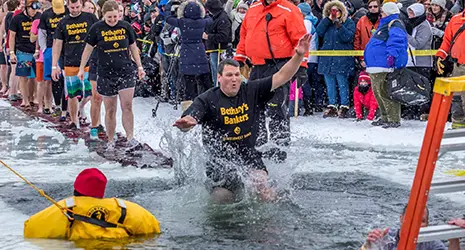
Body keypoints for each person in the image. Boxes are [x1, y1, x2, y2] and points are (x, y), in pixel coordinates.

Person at [173, 34, 311, 204]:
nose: (234, 79)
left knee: (261, 187)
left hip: (248, 155)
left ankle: (272, 223)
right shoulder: (207, 99)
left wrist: (298, 55)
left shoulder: (251, 90)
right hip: (220, 161)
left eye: (237, 75)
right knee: (223, 199)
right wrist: (186, 124)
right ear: (219, 77)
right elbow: (190, 118)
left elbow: (282, 76)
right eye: (229, 75)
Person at [233, 0, 308, 162]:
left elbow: (301, 39)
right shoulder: (253, 9)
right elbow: (245, 35)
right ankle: (257, 146)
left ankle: (279, 150)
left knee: (277, 110)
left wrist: (301, 66)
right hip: (256, 67)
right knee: (252, 108)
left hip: (279, 66)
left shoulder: (288, 9)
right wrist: (239, 58)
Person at [78, 0, 145, 150]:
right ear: (103, 15)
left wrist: (139, 66)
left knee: (127, 105)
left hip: (126, 71)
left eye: (115, 17)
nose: (113, 20)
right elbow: (87, 50)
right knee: (111, 109)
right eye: (110, 18)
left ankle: (130, 137)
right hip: (105, 73)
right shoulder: (97, 28)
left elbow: (133, 48)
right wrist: (82, 68)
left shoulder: (126, 27)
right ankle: (110, 139)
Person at [23, 168, 161, 239]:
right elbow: (153, 228)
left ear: (75, 188)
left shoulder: (64, 208)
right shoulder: (125, 208)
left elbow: (30, 229)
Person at [51, 0, 98, 129]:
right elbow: (57, 44)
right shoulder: (63, 22)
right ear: (67, 6)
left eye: (77, 7)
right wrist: (54, 66)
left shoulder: (90, 18)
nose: (75, 10)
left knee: (93, 93)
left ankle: (95, 122)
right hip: (70, 61)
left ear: (82, 6)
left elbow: (99, 36)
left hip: (90, 61)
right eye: (72, 8)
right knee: (72, 94)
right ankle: (73, 120)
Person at [364, 1, 408, 128]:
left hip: (384, 66)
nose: (380, 13)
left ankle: (393, 119)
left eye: (382, 11)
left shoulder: (395, 24)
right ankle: (385, 117)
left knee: (385, 93)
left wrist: (391, 56)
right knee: (378, 93)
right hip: (376, 66)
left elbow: (397, 41)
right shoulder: (385, 24)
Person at [165, 0, 212, 111]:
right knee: (205, 81)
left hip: (186, 53)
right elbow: (210, 19)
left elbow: (168, 18)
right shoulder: (202, 22)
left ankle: (189, 109)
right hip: (200, 52)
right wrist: (206, 12)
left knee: (188, 83)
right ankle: (209, 104)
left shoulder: (182, 22)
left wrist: (169, 6)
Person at [316, 0, 355, 119]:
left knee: (342, 83)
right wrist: (328, 20)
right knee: (330, 83)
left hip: (342, 58)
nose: (334, 13)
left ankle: (344, 105)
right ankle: (332, 105)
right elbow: (319, 32)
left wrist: (340, 26)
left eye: (337, 10)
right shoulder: (326, 23)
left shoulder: (348, 22)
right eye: (332, 10)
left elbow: (347, 37)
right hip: (327, 59)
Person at [360, 206, 446, 250]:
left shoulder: (432, 243)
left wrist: (454, 239)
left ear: (427, 225)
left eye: (422, 221)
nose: (415, 225)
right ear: (401, 219)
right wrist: (369, 244)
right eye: (411, 219)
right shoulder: (387, 237)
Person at [436, 0, 465, 129]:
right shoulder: (456, 19)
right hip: (458, 65)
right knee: (457, 96)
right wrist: (440, 56)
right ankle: (458, 122)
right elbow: (447, 40)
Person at [9, 0, 41, 110]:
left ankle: (33, 97)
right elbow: (12, 36)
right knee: (23, 77)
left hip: (35, 51)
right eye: (32, 9)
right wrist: (12, 52)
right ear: (27, 8)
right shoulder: (17, 18)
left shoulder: (39, 17)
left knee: (34, 77)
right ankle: (25, 100)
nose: (34, 11)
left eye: (36, 9)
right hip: (22, 50)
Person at [204, 0, 231, 86]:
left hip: (219, 51)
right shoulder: (215, 17)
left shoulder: (222, 18)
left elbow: (223, 36)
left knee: (218, 77)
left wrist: (208, 37)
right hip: (213, 49)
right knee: (215, 76)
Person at [354, 0, 381, 70]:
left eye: (375, 6)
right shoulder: (362, 21)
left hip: (381, 57)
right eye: (370, 7)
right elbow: (357, 39)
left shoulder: (383, 20)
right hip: (365, 57)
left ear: (379, 7)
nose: (372, 8)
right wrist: (359, 57)